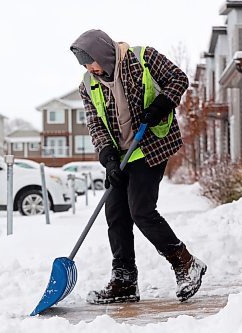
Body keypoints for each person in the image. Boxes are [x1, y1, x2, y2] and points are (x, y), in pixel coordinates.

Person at [70, 29, 207, 305]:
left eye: (91, 61)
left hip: (150, 146)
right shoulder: (88, 83)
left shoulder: (141, 58)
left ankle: (186, 262)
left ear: (103, 54)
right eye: (85, 65)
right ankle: (124, 280)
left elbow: (178, 78)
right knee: (116, 212)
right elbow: (95, 124)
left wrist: (161, 105)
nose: (90, 68)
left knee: (141, 210)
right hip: (121, 155)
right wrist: (108, 157)